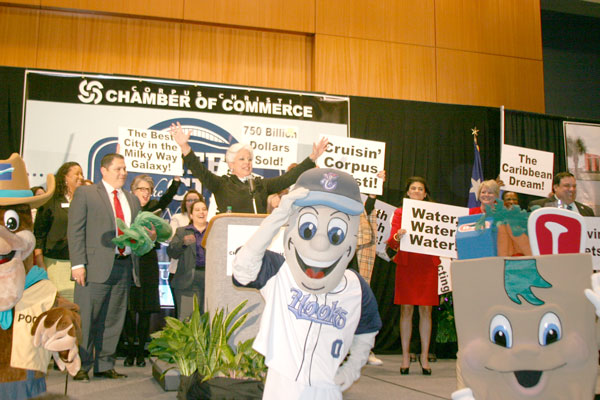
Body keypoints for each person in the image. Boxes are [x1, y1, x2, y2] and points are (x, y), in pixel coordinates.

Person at [68, 153, 151, 382]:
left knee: (113, 318)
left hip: (123, 266)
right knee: (87, 317)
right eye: (118, 169)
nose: (123, 173)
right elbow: (75, 230)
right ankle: (81, 365)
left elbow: (135, 232)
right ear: (103, 170)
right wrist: (78, 264)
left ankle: (104, 365)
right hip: (93, 267)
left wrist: (146, 236)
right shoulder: (86, 193)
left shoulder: (132, 200)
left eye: (124, 169)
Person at [169, 121, 328, 213]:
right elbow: (199, 170)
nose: (247, 162)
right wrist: (184, 146)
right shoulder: (222, 184)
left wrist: (312, 157)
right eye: (242, 159)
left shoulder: (260, 185)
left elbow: (288, 178)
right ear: (231, 164)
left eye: (250, 159)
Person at [123, 174, 181, 367]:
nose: (146, 193)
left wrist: (177, 183)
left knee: (146, 308)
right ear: (133, 191)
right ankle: (130, 349)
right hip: (129, 261)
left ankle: (141, 352)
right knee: (130, 309)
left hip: (148, 261)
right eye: (142, 189)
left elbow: (166, 199)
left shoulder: (154, 209)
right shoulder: (126, 207)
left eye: (148, 189)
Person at [386, 176, 440, 375]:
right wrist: (397, 236)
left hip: (427, 266)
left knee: (426, 312)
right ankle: (405, 357)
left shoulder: (435, 213)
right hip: (407, 265)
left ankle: (424, 357)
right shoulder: (399, 213)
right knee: (406, 311)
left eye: (420, 189)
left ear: (425, 194)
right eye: (413, 188)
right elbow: (391, 242)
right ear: (407, 192)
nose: (416, 191)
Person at [34, 161, 84, 302]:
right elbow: (39, 234)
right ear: (65, 178)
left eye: (82, 174)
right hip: (54, 263)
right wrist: (40, 261)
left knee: (75, 307)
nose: (80, 177)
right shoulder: (51, 202)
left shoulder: (85, 202)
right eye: (76, 174)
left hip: (78, 265)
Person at [356, 170, 386, 366]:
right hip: (335, 255)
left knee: (360, 301)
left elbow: (368, 212)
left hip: (358, 254)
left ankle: (364, 349)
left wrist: (374, 189)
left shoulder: (359, 205)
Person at [167, 198, 209, 320]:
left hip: (209, 279)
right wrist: (183, 243)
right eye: (197, 210)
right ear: (191, 214)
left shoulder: (214, 230)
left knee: (207, 319)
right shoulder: (182, 231)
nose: (201, 212)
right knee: (186, 319)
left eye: (204, 209)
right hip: (187, 279)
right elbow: (171, 252)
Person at [528, 171, 595, 216]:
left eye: (574, 186)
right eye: (567, 186)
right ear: (556, 187)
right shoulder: (539, 206)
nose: (572, 189)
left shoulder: (587, 211)